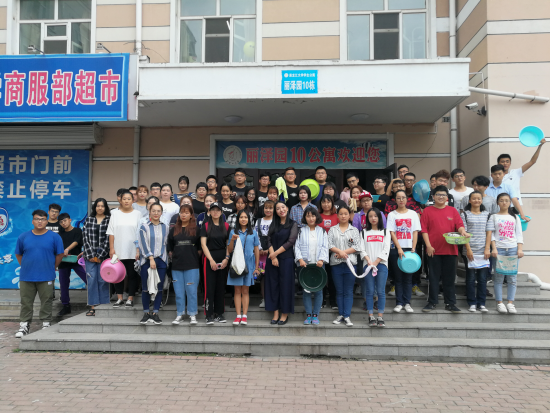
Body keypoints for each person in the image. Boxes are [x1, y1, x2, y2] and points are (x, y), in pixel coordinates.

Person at [15, 210, 64, 338]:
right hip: (26, 276)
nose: (40, 221)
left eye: (42, 219)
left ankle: (46, 324)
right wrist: (27, 266)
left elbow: (60, 254)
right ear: (33, 221)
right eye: (37, 219)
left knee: (47, 300)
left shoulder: (54, 237)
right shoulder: (23, 237)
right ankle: (24, 325)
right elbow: (18, 254)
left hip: (46, 275)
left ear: (47, 221)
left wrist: (51, 267)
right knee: (26, 301)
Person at [421, 186, 470, 314]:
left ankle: (450, 303)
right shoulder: (427, 211)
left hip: (450, 250)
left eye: (443, 195)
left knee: (449, 278)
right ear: (433, 196)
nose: (441, 197)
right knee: (433, 278)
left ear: (447, 197)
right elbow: (424, 230)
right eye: (438, 194)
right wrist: (428, 246)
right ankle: (432, 302)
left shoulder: (453, 211)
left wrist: (463, 232)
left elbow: (459, 226)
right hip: (433, 250)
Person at [107, 190, 142, 308]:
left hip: (133, 250)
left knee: (132, 274)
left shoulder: (138, 214)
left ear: (133, 200)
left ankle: (130, 298)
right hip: (118, 249)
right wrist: (111, 248)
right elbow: (111, 232)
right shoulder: (114, 214)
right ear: (120, 200)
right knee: (118, 274)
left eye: (129, 199)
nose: (126, 201)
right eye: (124, 199)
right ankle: (119, 298)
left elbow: (140, 233)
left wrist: (138, 250)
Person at [387, 190, 421, 314]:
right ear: (395, 200)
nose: (401, 200)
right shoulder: (392, 215)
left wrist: (413, 248)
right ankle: (399, 303)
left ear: (407, 199)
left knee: (408, 278)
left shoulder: (413, 214)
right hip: (396, 249)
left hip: (410, 249)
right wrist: (399, 248)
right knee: (398, 278)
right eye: (398, 198)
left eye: (403, 197)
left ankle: (407, 303)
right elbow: (392, 233)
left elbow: (415, 232)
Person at [265, 201, 299, 325]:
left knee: (286, 286)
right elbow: (268, 240)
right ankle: (275, 313)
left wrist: (275, 254)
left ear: (287, 208)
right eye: (278, 208)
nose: (281, 210)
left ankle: (284, 314)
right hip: (272, 260)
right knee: (272, 285)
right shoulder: (273, 223)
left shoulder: (293, 224)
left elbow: (290, 242)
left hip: (286, 259)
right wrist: (273, 256)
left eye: (283, 207)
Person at [294, 207, 329, 325]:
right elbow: (296, 246)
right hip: (305, 266)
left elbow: (325, 247)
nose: (311, 218)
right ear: (305, 218)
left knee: (319, 291)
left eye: (313, 216)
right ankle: (308, 315)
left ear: (316, 217)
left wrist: (321, 260)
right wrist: (300, 259)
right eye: (308, 216)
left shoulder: (322, 231)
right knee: (306, 291)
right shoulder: (301, 231)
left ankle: (316, 315)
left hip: (319, 265)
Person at [328, 207, 362, 327]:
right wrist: (340, 252)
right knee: (339, 291)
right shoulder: (332, 229)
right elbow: (329, 244)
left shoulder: (354, 230)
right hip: (336, 264)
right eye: (341, 214)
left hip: (350, 264)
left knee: (348, 291)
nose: (343, 216)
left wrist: (343, 253)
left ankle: (347, 315)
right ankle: (341, 314)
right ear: (337, 215)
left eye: (346, 214)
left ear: (349, 215)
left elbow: (357, 246)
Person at [491, 193, 524, 315]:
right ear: (497, 203)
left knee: (512, 278)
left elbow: (519, 234)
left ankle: (510, 303)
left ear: (510, 202)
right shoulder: (493, 217)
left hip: (512, 249)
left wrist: (519, 249)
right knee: (498, 278)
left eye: (506, 200)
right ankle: (499, 303)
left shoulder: (515, 217)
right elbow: (491, 234)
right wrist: (494, 248)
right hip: (499, 249)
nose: (504, 203)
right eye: (501, 200)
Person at [168, 205, 201, 326]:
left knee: (191, 291)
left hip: (192, 265)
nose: (184, 215)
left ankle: (192, 314)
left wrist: (192, 256)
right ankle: (180, 314)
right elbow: (170, 248)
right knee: (179, 292)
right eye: (182, 212)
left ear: (191, 215)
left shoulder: (196, 229)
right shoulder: (174, 230)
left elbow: (200, 248)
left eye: (186, 213)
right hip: (177, 265)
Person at [462, 191, 494, 313]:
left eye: (479, 198)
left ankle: (481, 303)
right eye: (474, 198)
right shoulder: (465, 214)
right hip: (469, 251)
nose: (476, 200)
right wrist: (468, 249)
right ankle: (472, 303)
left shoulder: (487, 215)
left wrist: (487, 248)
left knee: (482, 278)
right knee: (470, 278)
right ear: (469, 200)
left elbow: (489, 232)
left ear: (482, 200)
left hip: (483, 251)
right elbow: (464, 233)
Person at [227, 210, 261, 326]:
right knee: (237, 291)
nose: (243, 219)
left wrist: (257, 267)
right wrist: (232, 240)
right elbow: (229, 250)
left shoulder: (253, 232)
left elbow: (256, 250)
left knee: (245, 291)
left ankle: (244, 316)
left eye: (245, 217)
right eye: (241, 217)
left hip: (249, 264)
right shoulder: (233, 232)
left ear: (249, 219)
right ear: (238, 219)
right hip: (237, 264)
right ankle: (238, 316)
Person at [359, 208, 391, 328]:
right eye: (371, 216)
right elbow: (361, 249)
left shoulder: (385, 232)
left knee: (381, 291)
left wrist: (376, 262)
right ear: (367, 218)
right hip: (367, 265)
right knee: (370, 290)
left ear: (380, 218)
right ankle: (371, 315)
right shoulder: (363, 232)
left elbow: (386, 249)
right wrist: (368, 260)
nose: (373, 218)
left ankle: (380, 316)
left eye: (375, 216)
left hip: (381, 265)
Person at [137, 203, 169, 325]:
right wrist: (150, 258)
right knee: (145, 288)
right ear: (149, 212)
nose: (156, 213)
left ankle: (155, 313)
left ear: (161, 213)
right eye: (153, 211)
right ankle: (146, 313)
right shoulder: (144, 227)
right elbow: (143, 244)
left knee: (159, 288)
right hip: (146, 261)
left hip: (161, 260)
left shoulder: (165, 227)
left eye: (158, 211)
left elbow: (166, 243)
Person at [201, 203, 230, 324]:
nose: (215, 212)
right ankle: (209, 314)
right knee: (209, 287)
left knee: (220, 287)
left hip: (223, 258)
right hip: (209, 258)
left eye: (218, 210)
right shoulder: (206, 225)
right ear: (210, 212)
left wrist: (226, 258)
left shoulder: (226, 226)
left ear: (221, 212)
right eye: (213, 210)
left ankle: (219, 313)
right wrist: (211, 260)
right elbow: (203, 245)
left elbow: (228, 244)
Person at [82, 198, 111, 317]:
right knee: (92, 279)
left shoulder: (109, 220)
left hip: (104, 254)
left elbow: (109, 238)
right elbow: (85, 238)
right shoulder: (89, 220)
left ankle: (103, 306)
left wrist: (100, 255)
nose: (100, 208)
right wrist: (91, 255)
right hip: (90, 254)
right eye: (98, 206)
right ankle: (92, 306)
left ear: (105, 207)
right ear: (94, 207)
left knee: (103, 280)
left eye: (102, 206)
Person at [495, 139, 546, 206]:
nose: (505, 163)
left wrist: (540, 146)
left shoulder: (516, 172)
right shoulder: (493, 177)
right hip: (500, 206)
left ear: (510, 163)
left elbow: (532, 161)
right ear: (498, 163)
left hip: (514, 206)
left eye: (507, 161)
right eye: (502, 161)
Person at [57, 212, 87, 317]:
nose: (63, 223)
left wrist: (67, 249)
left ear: (70, 220)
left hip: (76, 260)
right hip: (63, 261)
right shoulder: (59, 234)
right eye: (61, 222)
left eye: (65, 221)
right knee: (63, 284)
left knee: (87, 278)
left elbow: (76, 241)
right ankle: (65, 306)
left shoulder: (77, 231)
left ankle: (95, 300)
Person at [318, 195, 339, 310]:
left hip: (334, 251)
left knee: (332, 276)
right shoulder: (317, 216)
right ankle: (321, 300)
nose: (326, 204)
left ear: (332, 203)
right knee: (321, 275)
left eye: (328, 202)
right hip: (320, 251)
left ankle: (333, 300)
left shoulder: (337, 216)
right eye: (324, 202)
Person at [256, 200, 275, 308]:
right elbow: (256, 236)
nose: (268, 210)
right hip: (261, 253)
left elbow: (277, 237)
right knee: (262, 276)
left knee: (272, 275)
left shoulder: (276, 221)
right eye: (266, 208)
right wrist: (259, 248)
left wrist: (269, 250)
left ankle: (272, 298)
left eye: (270, 208)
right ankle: (264, 298)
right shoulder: (259, 221)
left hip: (273, 251)